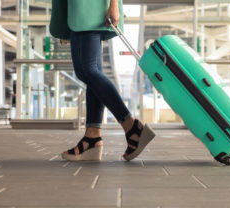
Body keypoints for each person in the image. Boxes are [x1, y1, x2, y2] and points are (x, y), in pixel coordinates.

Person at [49, 0, 155, 162]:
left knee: (87, 70)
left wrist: (113, 4)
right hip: (79, 10)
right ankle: (92, 138)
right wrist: (64, 22)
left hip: (89, 9)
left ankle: (131, 127)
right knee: (92, 72)